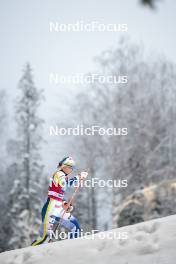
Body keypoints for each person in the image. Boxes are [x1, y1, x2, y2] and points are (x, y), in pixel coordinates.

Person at [31, 156, 88, 246]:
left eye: (72, 168)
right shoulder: (59, 174)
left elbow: (57, 196)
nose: (71, 170)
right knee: (44, 238)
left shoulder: (64, 176)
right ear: (64, 166)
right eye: (70, 167)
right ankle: (29, 253)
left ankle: (73, 248)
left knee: (74, 226)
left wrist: (64, 204)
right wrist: (78, 177)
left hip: (57, 208)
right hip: (50, 209)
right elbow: (64, 185)